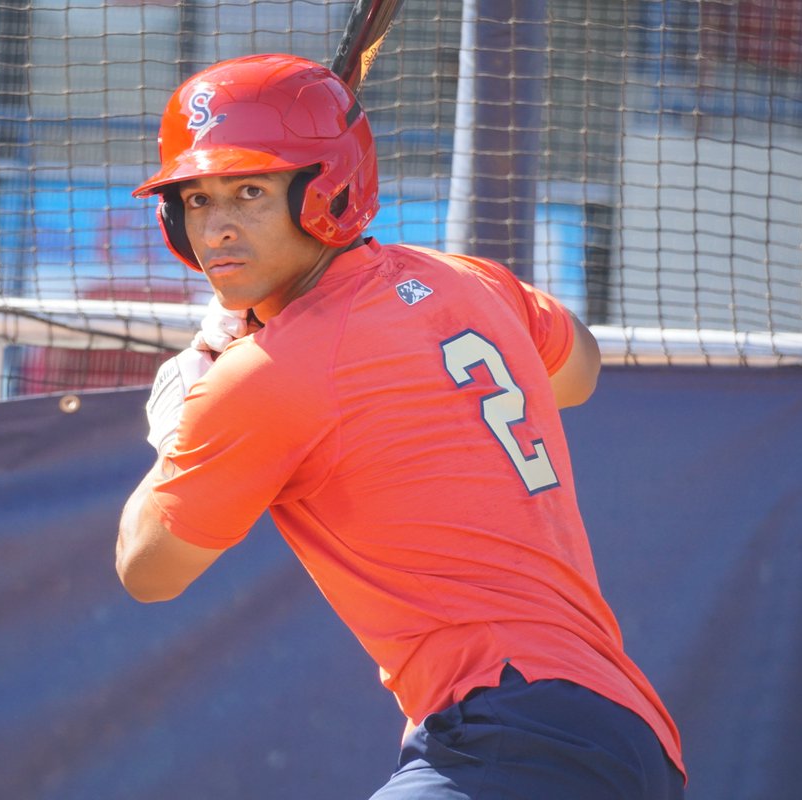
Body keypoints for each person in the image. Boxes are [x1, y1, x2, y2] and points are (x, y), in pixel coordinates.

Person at [115, 53, 686, 799]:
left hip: (511, 734)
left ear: (324, 190)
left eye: (250, 191)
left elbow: (148, 569)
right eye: (195, 201)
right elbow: (578, 369)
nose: (217, 227)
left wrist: (180, 419)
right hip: (624, 736)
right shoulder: (470, 280)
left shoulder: (266, 376)